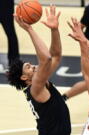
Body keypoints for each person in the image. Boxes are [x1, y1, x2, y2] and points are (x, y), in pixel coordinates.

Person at [7, 5, 71, 135]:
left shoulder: (37, 83)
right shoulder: (35, 88)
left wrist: (54, 30)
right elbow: (46, 58)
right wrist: (29, 29)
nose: (34, 66)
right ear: (24, 78)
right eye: (28, 67)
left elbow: (56, 56)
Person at [0, 0, 19, 67]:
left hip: (5, 4)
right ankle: (14, 62)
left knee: (10, 32)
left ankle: (14, 62)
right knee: (11, 33)